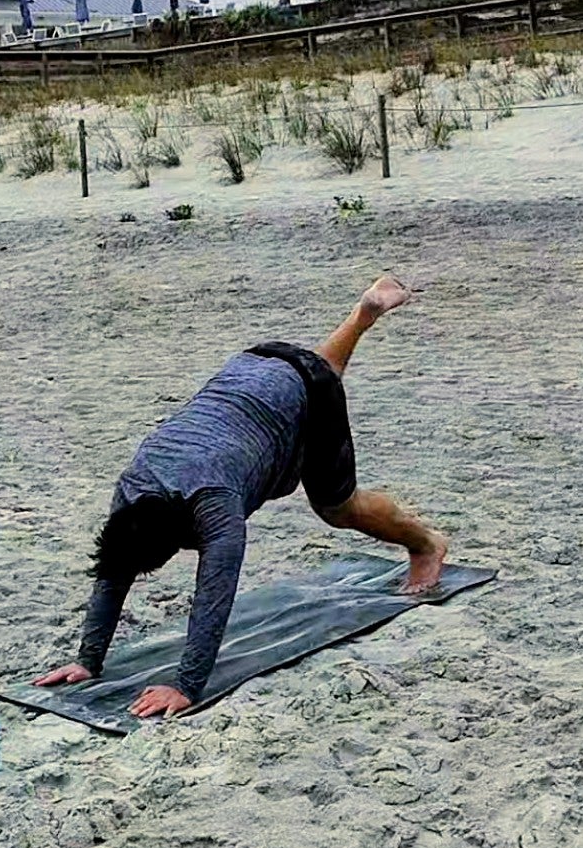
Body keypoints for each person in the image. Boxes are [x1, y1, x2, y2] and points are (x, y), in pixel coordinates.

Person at [37, 276, 447, 720]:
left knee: (338, 507)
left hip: (294, 390)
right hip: (255, 364)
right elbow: (114, 571)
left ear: (183, 539)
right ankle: (363, 313)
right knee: (314, 371)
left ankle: (426, 544)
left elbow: (214, 596)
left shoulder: (215, 506)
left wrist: (186, 686)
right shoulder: (134, 486)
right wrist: (87, 659)